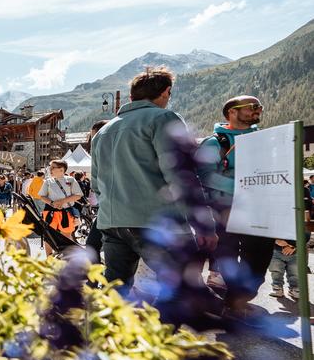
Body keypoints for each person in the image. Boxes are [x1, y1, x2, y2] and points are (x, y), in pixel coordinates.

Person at [91, 68, 217, 296]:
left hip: (112, 222)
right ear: (166, 92)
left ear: (131, 97)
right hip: (156, 222)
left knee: (114, 291)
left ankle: (106, 330)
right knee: (183, 287)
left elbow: (96, 184)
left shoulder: (103, 131)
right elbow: (181, 176)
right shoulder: (164, 119)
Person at [196, 95, 272, 312]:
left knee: (261, 254)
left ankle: (242, 294)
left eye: (259, 106)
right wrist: (242, 188)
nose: (258, 110)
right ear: (232, 112)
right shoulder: (214, 142)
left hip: (258, 210)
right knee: (226, 253)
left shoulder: (264, 139)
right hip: (225, 210)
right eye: (252, 107)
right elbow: (206, 177)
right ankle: (235, 299)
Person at [38, 159, 83, 257]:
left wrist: (62, 201)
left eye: (53, 167)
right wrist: (52, 203)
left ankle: (68, 258)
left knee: (67, 235)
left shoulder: (71, 180)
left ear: (62, 169)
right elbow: (42, 196)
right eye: (51, 167)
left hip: (67, 212)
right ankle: (49, 259)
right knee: (49, 236)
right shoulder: (48, 181)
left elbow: (78, 195)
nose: (50, 169)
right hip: (50, 212)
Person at [83, 120, 108, 260]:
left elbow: (96, 185)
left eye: (95, 136)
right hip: (107, 210)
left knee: (92, 245)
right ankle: (93, 280)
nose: (94, 140)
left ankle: (93, 280)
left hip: (110, 211)